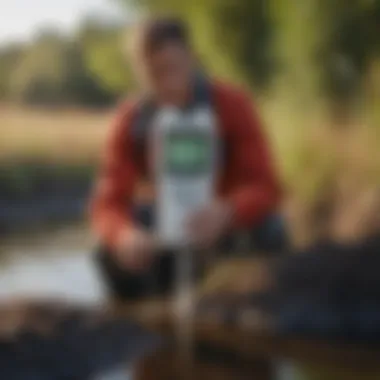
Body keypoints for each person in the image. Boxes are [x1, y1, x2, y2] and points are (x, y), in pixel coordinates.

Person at [89, 16, 288, 300]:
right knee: (105, 249)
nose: (168, 84)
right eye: (155, 73)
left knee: (272, 228)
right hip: (164, 228)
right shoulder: (130, 120)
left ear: (191, 59)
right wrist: (123, 235)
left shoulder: (233, 104)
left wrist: (229, 211)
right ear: (138, 71)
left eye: (174, 69)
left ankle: (257, 303)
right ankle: (144, 319)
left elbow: (267, 187)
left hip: (224, 226)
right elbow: (106, 204)